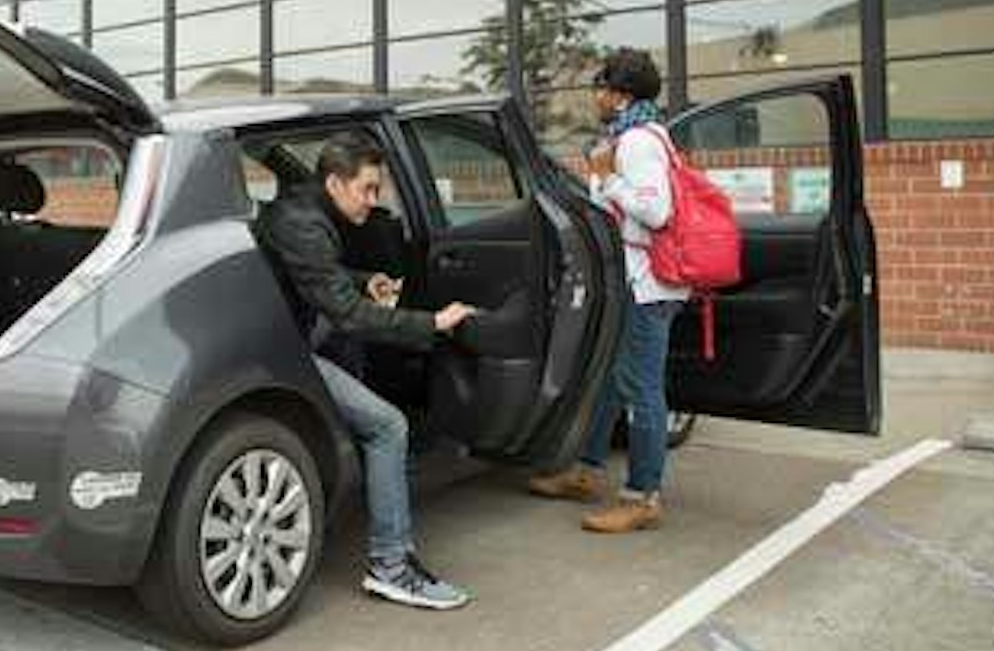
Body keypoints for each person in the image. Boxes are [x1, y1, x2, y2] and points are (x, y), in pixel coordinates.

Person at [258, 130, 478, 611]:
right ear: (335, 184)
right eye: (368, 189)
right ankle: (392, 566)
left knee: (351, 352)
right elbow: (348, 314)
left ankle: (361, 486)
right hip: (278, 352)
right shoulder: (306, 225)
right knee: (388, 426)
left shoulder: (302, 211)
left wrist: (362, 281)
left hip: (283, 333)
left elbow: (316, 279)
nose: (375, 202)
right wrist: (433, 324)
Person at [529, 48, 687, 534]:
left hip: (647, 285)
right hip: (635, 283)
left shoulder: (637, 141)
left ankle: (642, 496)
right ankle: (585, 471)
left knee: (641, 389)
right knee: (612, 380)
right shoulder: (635, 136)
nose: (595, 96)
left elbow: (656, 211)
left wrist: (606, 178)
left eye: (601, 88)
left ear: (620, 96)